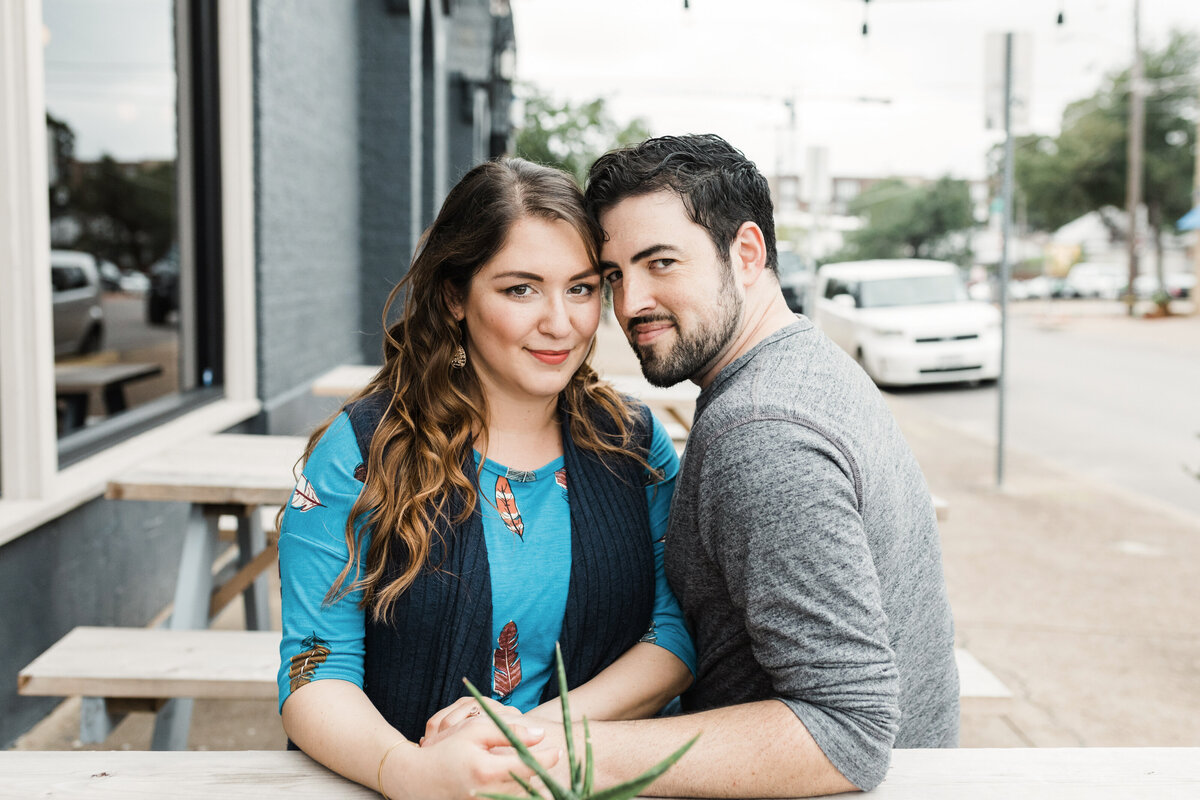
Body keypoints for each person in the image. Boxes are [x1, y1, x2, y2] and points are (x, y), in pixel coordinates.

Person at [276, 158, 696, 800]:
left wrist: (529, 735)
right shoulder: (360, 452)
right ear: (453, 296)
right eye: (520, 289)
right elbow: (315, 668)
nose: (561, 323)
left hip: (597, 782)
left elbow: (673, 632)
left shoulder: (635, 444)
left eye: (581, 288)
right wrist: (409, 773)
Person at [554, 134, 960, 796]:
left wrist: (558, 751)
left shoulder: (763, 434)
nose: (629, 306)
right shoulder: (806, 364)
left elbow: (849, 733)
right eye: (615, 276)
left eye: (661, 263)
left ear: (746, 254)